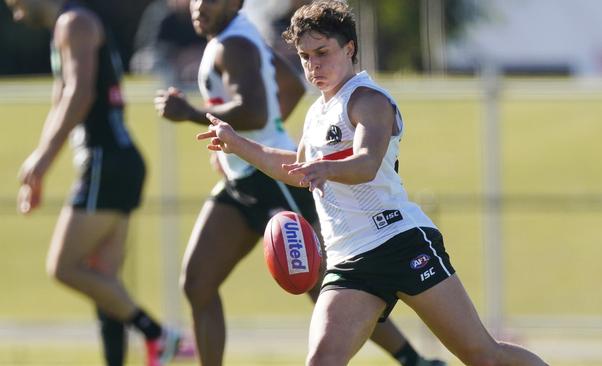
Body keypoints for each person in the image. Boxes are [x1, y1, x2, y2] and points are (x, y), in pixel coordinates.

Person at [196, 1, 550, 365]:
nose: (313, 65)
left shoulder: (368, 100)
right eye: (304, 57)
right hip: (348, 261)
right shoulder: (317, 112)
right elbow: (296, 168)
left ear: (349, 48)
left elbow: (366, 162)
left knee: (482, 356)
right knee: (322, 360)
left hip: (400, 242)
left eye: (322, 53)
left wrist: (325, 170)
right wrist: (239, 144)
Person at [154, 1, 445, 365]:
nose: (200, 6)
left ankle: (412, 358)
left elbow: (259, 110)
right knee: (198, 280)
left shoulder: (236, 44)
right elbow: (290, 88)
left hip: (283, 184)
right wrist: (238, 147)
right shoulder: (239, 42)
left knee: (319, 276)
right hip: (244, 178)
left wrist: (193, 115)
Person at [8, 1, 181, 365]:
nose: (15, 12)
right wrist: (41, 166)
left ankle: (158, 335)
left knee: (64, 266)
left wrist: (42, 159)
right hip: (114, 161)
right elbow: (62, 98)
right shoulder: (68, 26)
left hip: (107, 161)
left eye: (15, 2)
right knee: (105, 283)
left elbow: (80, 95)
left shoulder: (75, 23)